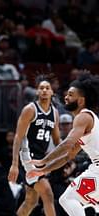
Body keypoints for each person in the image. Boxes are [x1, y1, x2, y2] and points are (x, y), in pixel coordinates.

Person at [27, 74, 99, 216]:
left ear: (81, 100)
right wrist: (44, 170)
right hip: (96, 167)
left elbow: (66, 144)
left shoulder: (83, 117)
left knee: (68, 199)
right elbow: (68, 156)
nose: (66, 97)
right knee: (87, 204)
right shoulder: (88, 119)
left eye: (71, 95)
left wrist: (43, 161)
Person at [8, 75, 60, 216]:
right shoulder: (30, 109)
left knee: (31, 201)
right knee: (48, 194)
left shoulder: (54, 113)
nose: (44, 90)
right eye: (41, 88)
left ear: (52, 92)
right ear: (37, 92)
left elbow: (57, 140)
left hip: (40, 159)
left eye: (47, 88)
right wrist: (14, 164)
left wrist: (66, 156)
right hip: (28, 158)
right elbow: (18, 137)